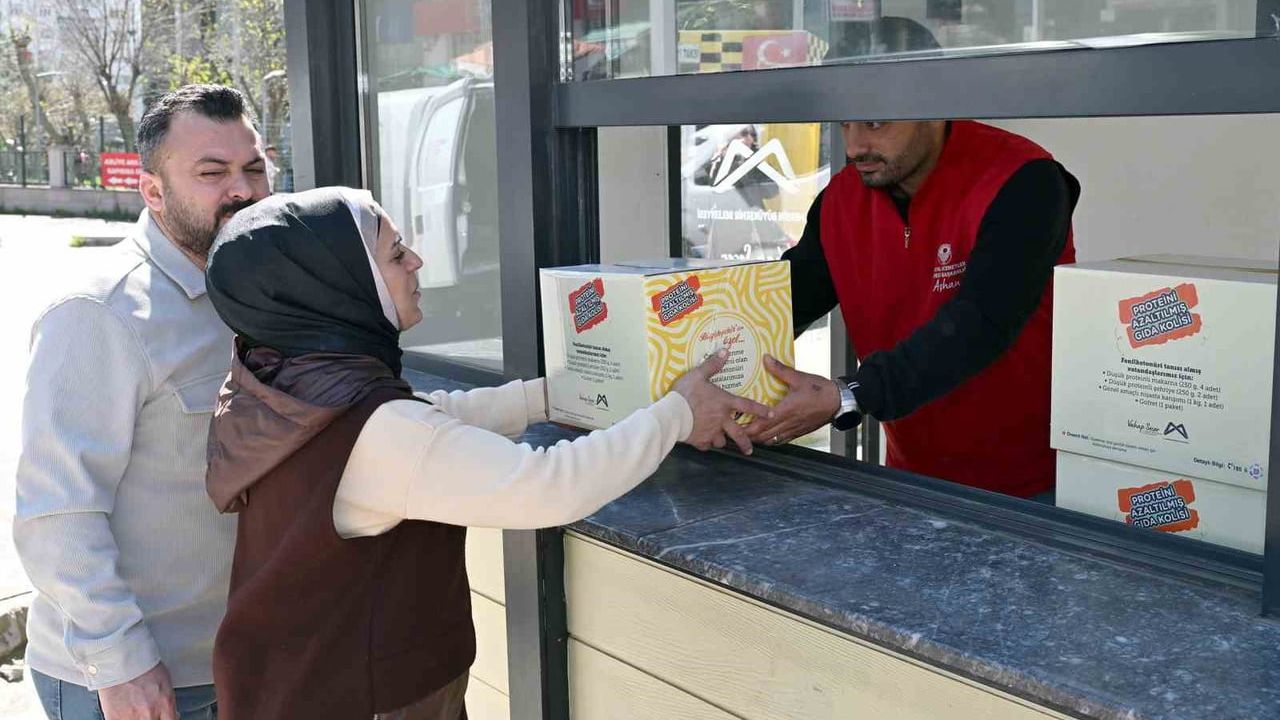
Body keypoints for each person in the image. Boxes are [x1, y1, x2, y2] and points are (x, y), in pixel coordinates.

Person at [201, 186, 767, 719]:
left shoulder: (282, 386)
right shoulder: (375, 432)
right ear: (338, 288)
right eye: (395, 254)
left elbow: (429, 415)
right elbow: (548, 486)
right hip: (362, 699)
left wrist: (557, 396)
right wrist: (678, 413)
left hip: (294, 683)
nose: (417, 261)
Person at [14, 84, 271, 720]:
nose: (242, 190)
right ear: (152, 191)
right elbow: (56, 512)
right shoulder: (99, 312)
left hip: (241, 660)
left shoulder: (254, 287)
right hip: (139, 683)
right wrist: (120, 662)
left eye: (254, 167)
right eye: (212, 173)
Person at [747, 115, 1079, 499]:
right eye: (845, 126)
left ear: (932, 112)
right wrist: (706, 362)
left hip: (1037, 484)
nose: (854, 147)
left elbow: (983, 321)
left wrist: (850, 394)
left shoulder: (1024, 180)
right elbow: (788, 300)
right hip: (913, 477)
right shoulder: (842, 198)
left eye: (875, 124)